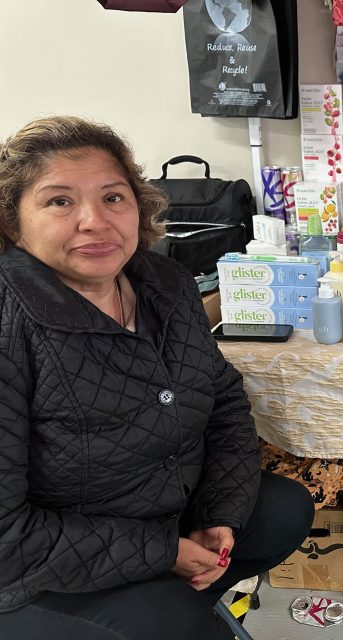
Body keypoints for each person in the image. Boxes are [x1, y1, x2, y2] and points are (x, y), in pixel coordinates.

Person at [0, 116, 315, 639]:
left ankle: (174, 600)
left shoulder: (164, 282)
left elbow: (224, 403)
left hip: (160, 513)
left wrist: (219, 517)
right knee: (171, 621)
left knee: (282, 509)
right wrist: (165, 553)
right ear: (13, 223)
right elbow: (6, 537)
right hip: (41, 567)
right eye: (59, 201)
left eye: (113, 198)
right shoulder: (11, 325)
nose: (94, 221)